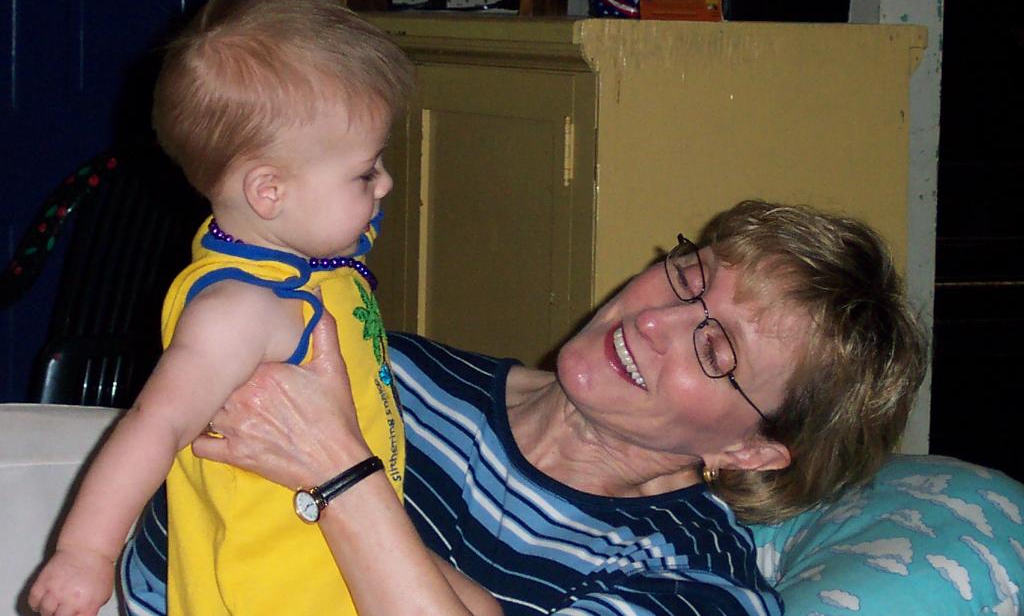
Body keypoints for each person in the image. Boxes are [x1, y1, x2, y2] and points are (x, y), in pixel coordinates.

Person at [118, 199, 928, 615]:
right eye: (690, 277)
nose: (655, 320)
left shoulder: (697, 583)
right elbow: (156, 559)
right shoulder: (385, 370)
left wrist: (340, 478)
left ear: (752, 451)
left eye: (714, 349)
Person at [28, 0, 413, 616]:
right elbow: (156, 424)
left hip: (340, 564)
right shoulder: (239, 310)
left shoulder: (296, 250)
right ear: (269, 193)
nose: (386, 184)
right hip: (271, 593)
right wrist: (85, 552)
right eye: (365, 173)